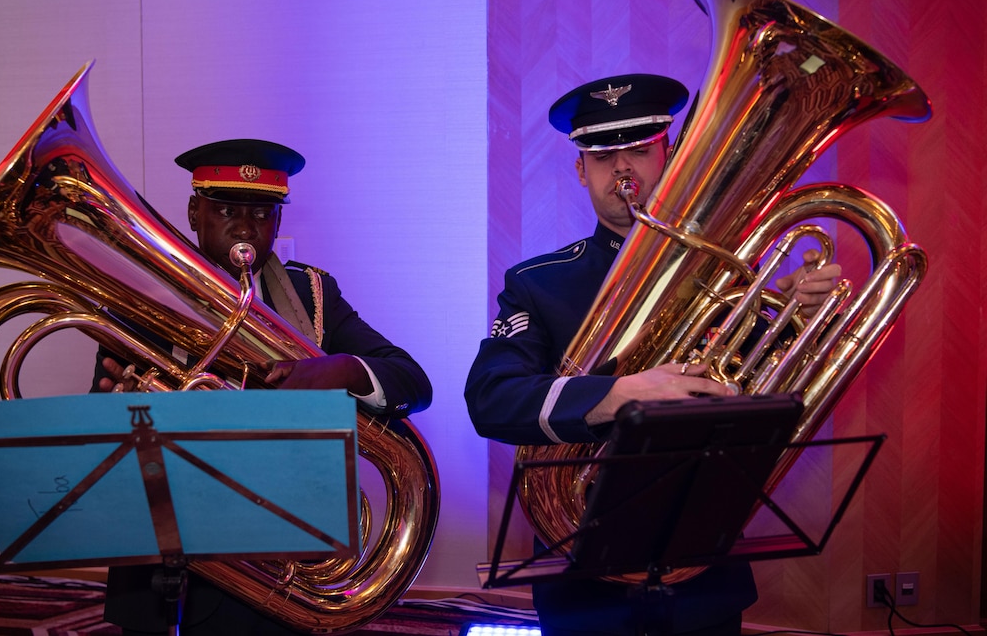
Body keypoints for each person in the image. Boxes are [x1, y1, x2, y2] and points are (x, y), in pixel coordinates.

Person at [464, 74, 842, 636]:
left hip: (703, 568)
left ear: (670, 155)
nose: (623, 170)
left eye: (640, 150)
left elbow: (772, 393)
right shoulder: (538, 284)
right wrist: (620, 395)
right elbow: (490, 400)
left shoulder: (729, 274)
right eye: (603, 157)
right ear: (580, 171)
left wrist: (802, 323)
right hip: (583, 576)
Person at [94, 139, 432, 635]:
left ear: (276, 223)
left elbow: (412, 382)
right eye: (226, 209)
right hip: (163, 566)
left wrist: (337, 370)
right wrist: (114, 407)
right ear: (194, 211)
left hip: (279, 568)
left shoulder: (313, 294)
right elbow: (102, 422)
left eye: (262, 213)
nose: (245, 227)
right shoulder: (142, 293)